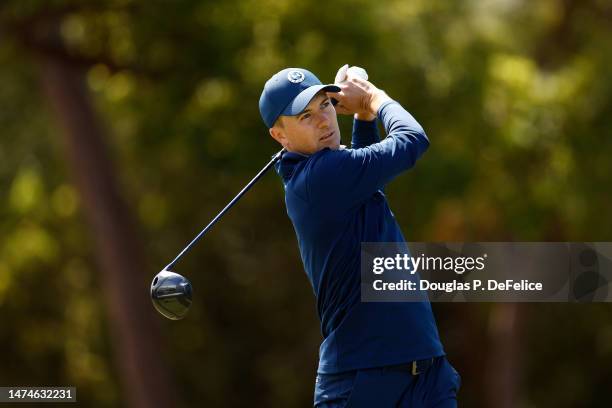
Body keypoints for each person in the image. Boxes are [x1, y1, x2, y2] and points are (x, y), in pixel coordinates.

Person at [259, 67, 460, 407]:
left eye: (325, 105)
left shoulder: (334, 173)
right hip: (363, 383)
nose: (324, 120)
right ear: (280, 136)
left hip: (423, 373)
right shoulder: (319, 178)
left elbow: (365, 179)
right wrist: (374, 98)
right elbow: (412, 140)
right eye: (306, 116)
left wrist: (364, 119)